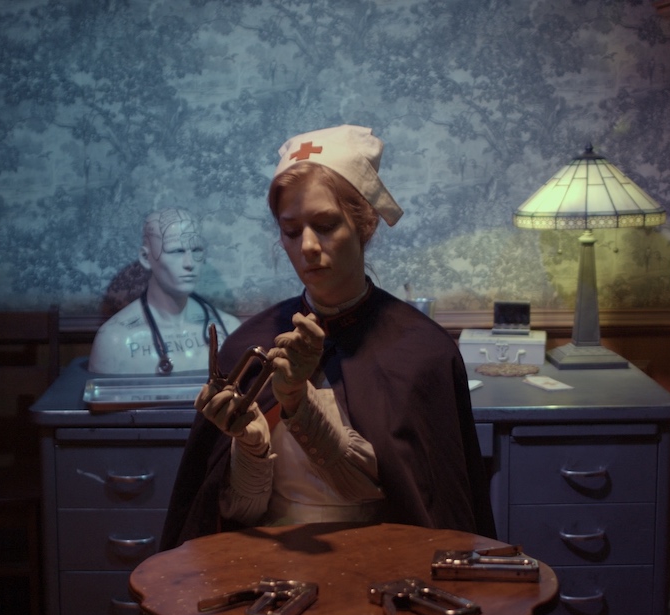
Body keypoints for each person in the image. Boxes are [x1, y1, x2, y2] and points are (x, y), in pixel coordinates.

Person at [162, 124, 495, 547]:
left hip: (383, 571)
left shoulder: (422, 353)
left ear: (365, 224)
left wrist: (296, 400)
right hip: (265, 569)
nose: (308, 247)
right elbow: (234, 516)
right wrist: (249, 444)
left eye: (325, 225)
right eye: (290, 229)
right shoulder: (251, 344)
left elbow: (410, 505)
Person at [88, 208, 241, 375]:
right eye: (176, 251)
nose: (189, 263)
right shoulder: (114, 341)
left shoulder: (229, 329)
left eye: (196, 250)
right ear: (146, 258)